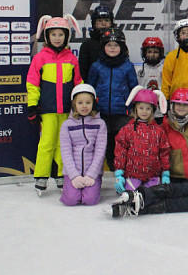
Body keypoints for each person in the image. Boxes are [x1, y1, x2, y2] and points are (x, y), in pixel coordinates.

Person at [27, 14, 82, 196]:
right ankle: (41, 176)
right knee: (47, 142)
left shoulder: (71, 59)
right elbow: (33, 84)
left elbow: (78, 83)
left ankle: (61, 174)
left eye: (61, 34)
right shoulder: (40, 58)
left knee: (64, 143)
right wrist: (32, 106)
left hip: (67, 110)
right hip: (48, 110)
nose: (57, 38)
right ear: (47, 36)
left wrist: (82, 103)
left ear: (66, 37)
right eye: (53, 35)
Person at [86, 28, 139, 170]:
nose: (112, 48)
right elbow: (90, 88)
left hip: (122, 113)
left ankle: (122, 172)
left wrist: (133, 108)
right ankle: (107, 171)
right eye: (109, 45)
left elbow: (134, 88)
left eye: (116, 45)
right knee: (105, 144)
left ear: (122, 47)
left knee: (122, 143)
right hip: (101, 113)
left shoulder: (128, 66)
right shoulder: (96, 66)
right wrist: (92, 107)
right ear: (103, 47)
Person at [114, 86, 171, 193]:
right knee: (131, 196)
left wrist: (165, 174)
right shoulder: (127, 130)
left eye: (148, 108)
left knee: (153, 196)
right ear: (135, 108)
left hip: (153, 175)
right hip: (133, 175)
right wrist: (119, 174)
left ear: (153, 110)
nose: (144, 112)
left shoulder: (159, 131)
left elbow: (164, 153)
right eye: (141, 108)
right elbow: (120, 151)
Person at [59, 84, 107, 206]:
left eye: (88, 102)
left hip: (92, 171)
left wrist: (92, 175)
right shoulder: (67, 125)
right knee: (70, 200)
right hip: (73, 171)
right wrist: (74, 176)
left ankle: (91, 187)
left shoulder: (100, 124)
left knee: (90, 200)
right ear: (74, 104)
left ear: (93, 104)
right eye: (80, 103)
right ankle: (70, 186)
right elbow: (65, 152)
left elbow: (100, 152)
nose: (84, 106)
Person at [79, 4, 114, 81]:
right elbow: (82, 72)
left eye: (107, 20)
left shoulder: (118, 42)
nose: (104, 24)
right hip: (92, 87)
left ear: (111, 22)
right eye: (100, 21)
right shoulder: (87, 45)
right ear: (94, 23)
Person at [138, 36, 165, 123]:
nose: (152, 55)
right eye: (149, 52)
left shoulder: (165, 69)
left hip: (160, 112)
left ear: (161, 53)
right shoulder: (138, 70)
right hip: (143, 111)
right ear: (144, 53)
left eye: (156, 52)